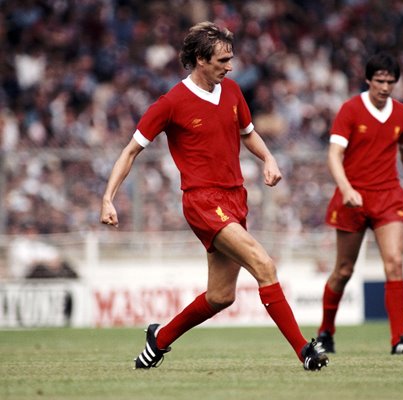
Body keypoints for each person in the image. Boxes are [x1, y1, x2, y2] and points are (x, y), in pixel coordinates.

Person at [100, 22, 328, 371]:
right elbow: (130, 151)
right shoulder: (171, 102)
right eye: (222, 59)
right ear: (199, 60)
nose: (229, 66)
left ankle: (158, 339)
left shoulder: (233, 91)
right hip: (202, 201)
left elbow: (248, 134)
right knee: (264, 265)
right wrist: (108, 198)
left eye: (230, 58)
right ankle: (304, 351)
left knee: (221, 296)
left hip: (236, 197)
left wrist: (268, 158)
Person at [315, 53, 403, 355]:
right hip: (352, 197)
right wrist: (347, 188)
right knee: (343, 270)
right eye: (379, 80)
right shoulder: (350, 110)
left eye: (391, 81)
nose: (385, 87)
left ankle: (399, 340)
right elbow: (334, 155)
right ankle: (326, 331)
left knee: (394, 263)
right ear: (368, 80)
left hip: (388, 196)